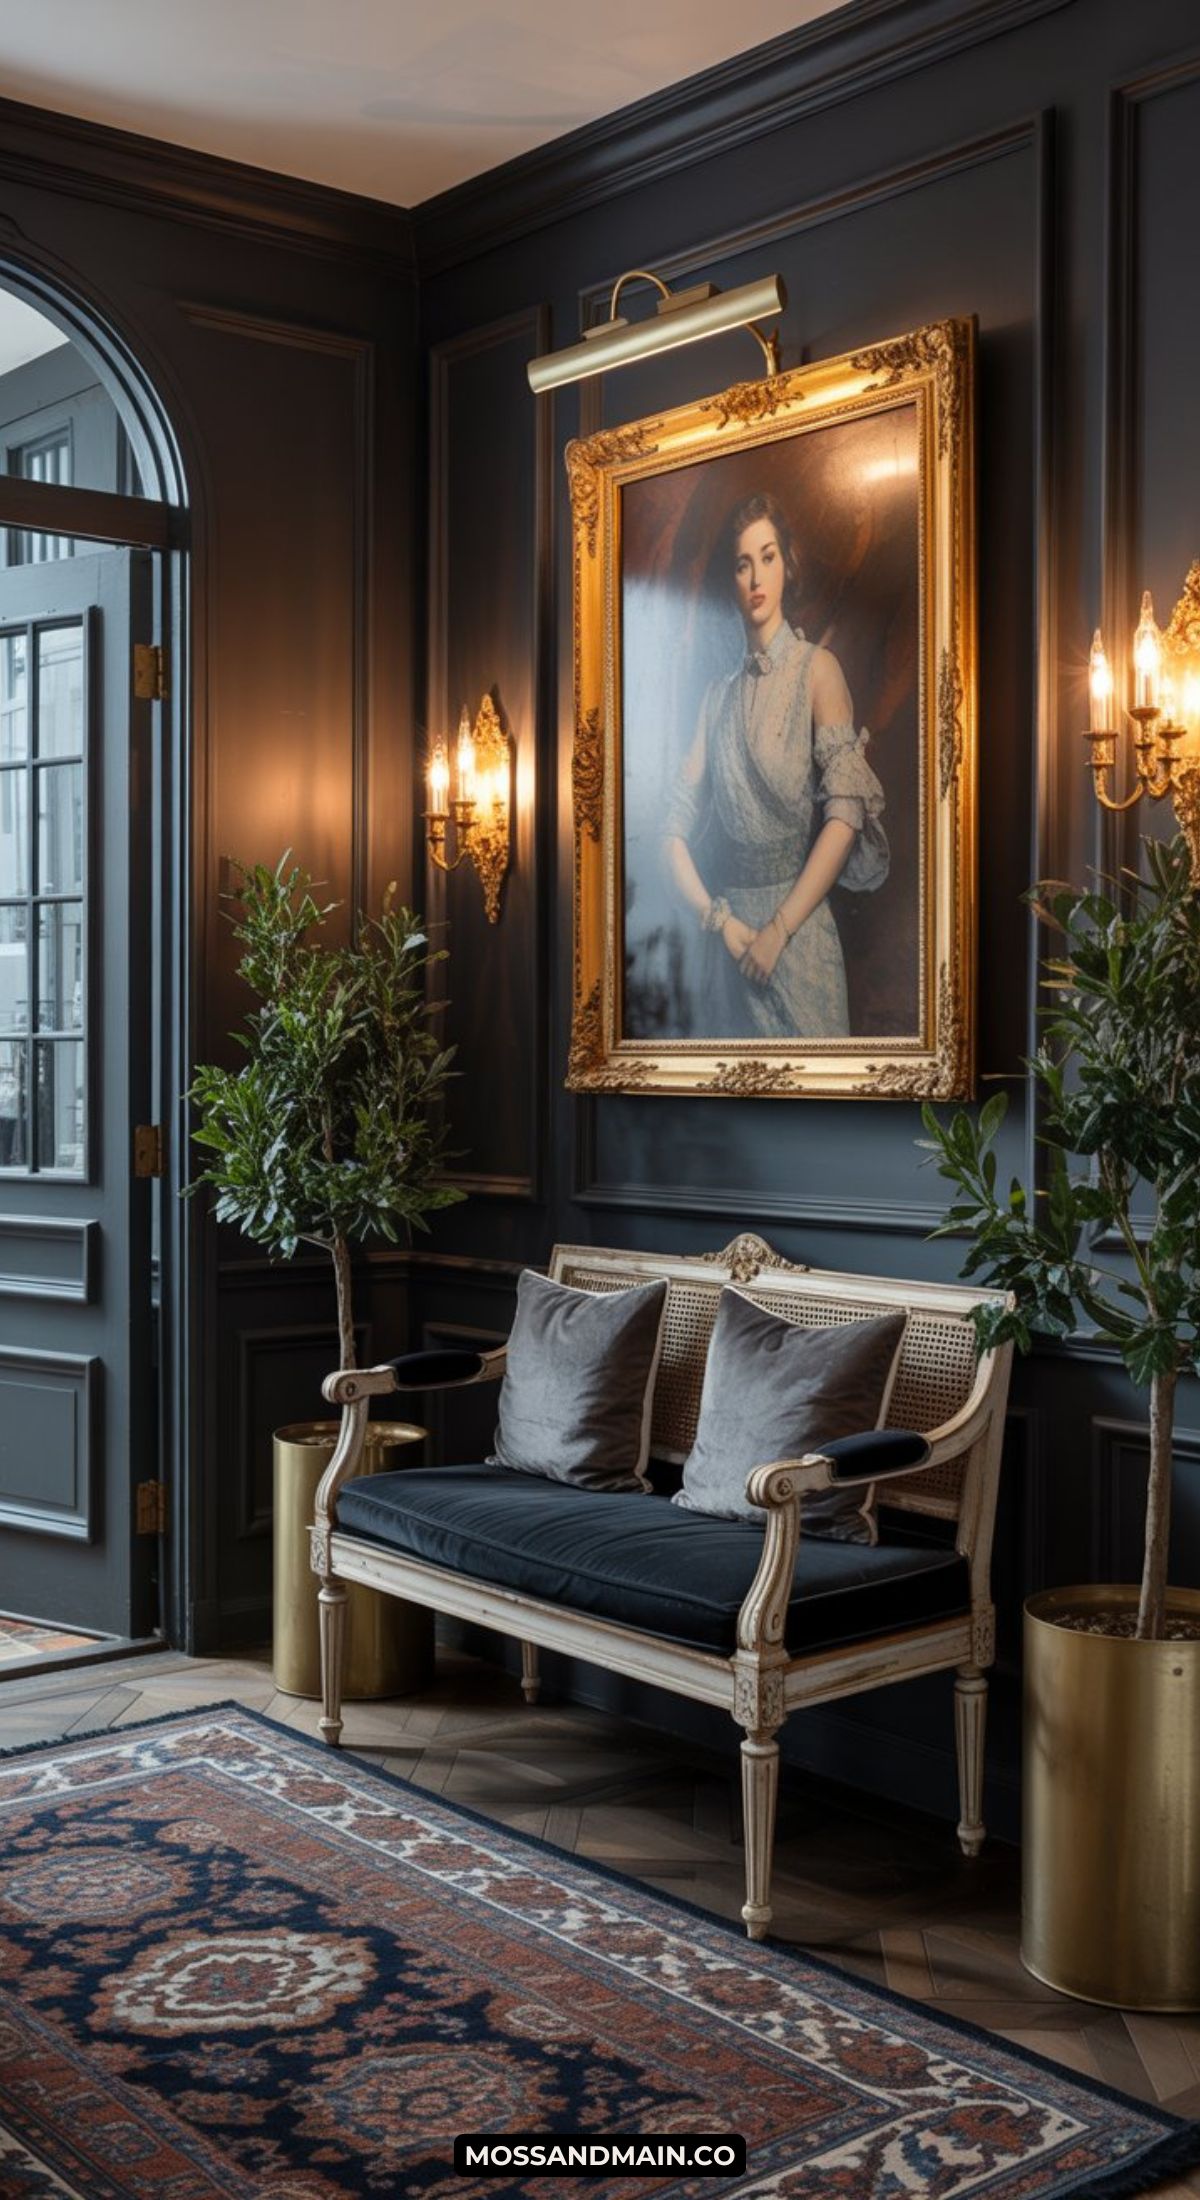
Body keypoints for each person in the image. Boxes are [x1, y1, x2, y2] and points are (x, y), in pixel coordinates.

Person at [662, 491, 888, 1039]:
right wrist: (722, 924)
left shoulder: (818, 671)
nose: (756, 576)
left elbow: (845, 817)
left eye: (767, 557)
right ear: (732, 581)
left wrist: (778, 931)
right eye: (743, 564)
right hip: (732, 949)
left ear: (788, 565)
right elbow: (670, 828)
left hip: (800, 938)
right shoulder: (715, 698)